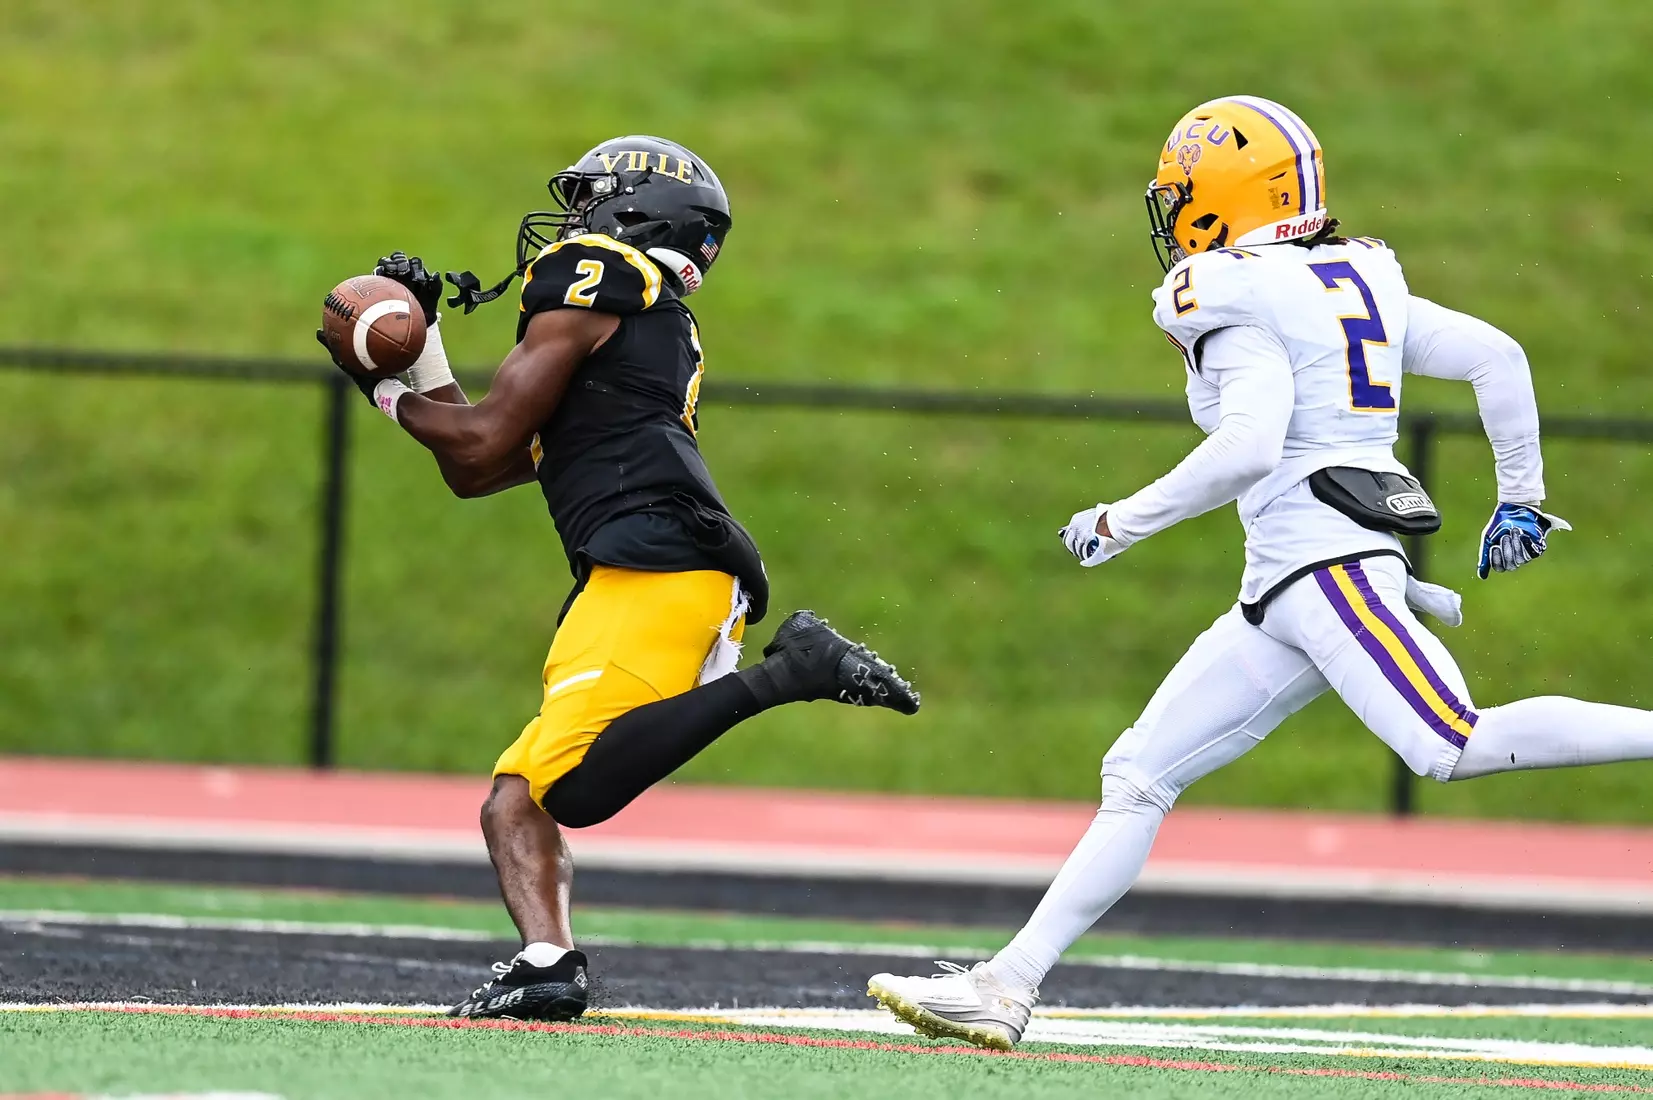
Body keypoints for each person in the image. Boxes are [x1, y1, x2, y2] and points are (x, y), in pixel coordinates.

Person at [867, 95, 1653, 1051]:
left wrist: (1121, 519)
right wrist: (1518, 494)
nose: (1173, 219)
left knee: (1450, 743)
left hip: (1324, 566)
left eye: (1184, 195)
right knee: (1139, 773)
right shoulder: (1358, 271)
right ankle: (1005, 986)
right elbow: (1497, 357)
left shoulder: (1233, 288)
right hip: (1292, 581)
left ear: (1227, 196)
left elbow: (1248, 446)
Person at [320, 135, 920, 1022]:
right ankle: (545, 960)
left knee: (570, 790)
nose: (568, 223)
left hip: (658, 562)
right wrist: (423, 354)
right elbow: (477, 465)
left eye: (587, 201)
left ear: (629, 212)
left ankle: (794, 669)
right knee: (513, 800)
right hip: (644, 566)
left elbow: (479, 440)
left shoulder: (594, 271)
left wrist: (379, 385)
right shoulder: (636, 321)